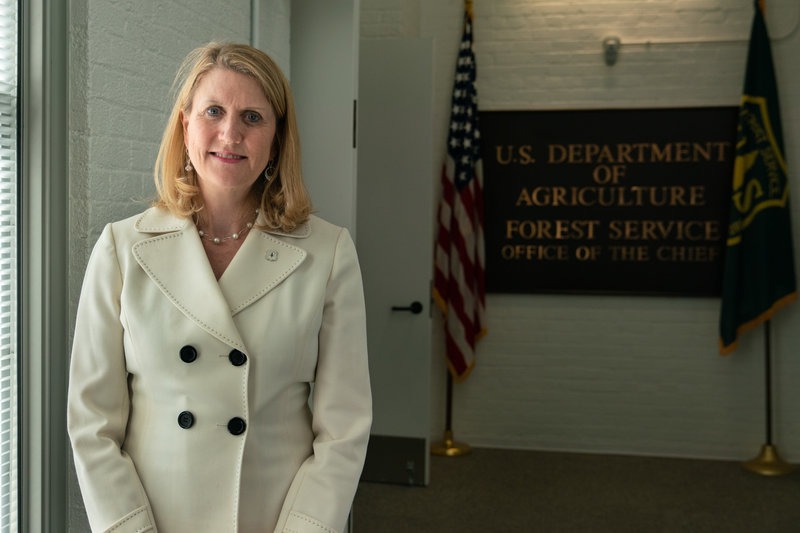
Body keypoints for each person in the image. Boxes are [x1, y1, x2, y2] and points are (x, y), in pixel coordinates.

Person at [67, 42, 372, 533]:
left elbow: (344, 430)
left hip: (273, 519)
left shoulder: (327, 253)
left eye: (253, 117)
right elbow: (92, 424)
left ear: (276, 139)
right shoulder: (122, 249)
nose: (231, 134)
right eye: (214, 111)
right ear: (186, 125)